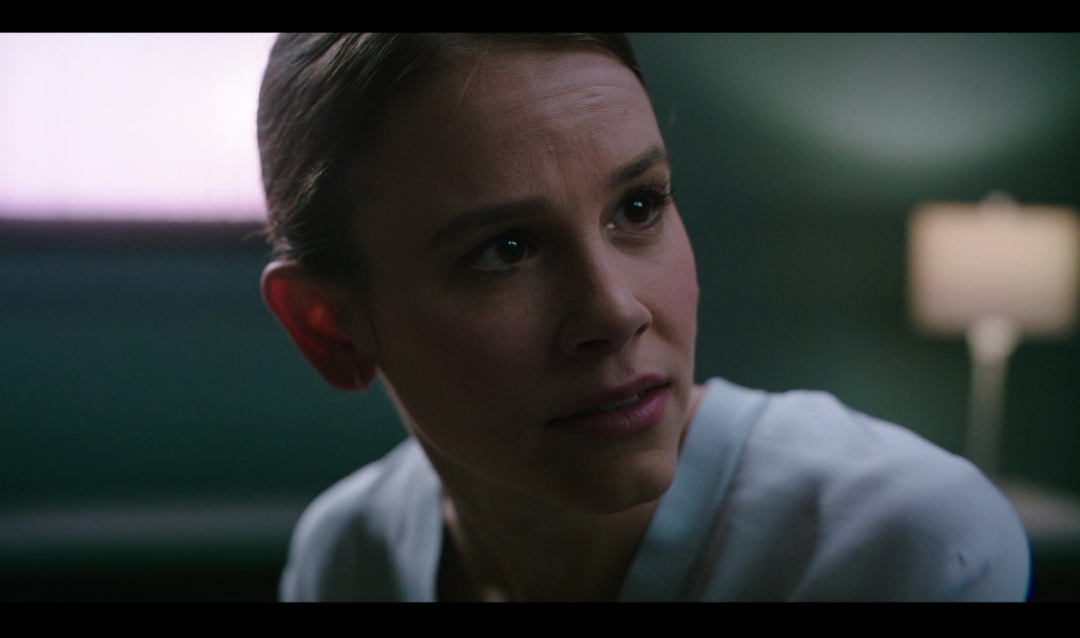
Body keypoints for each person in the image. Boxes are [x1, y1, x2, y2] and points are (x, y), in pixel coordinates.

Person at [256, 33, 1030, 602]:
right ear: (328, 326)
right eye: (505, 249)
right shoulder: (347, 559)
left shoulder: (904, 549)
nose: (615, 310)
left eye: (638, 206)